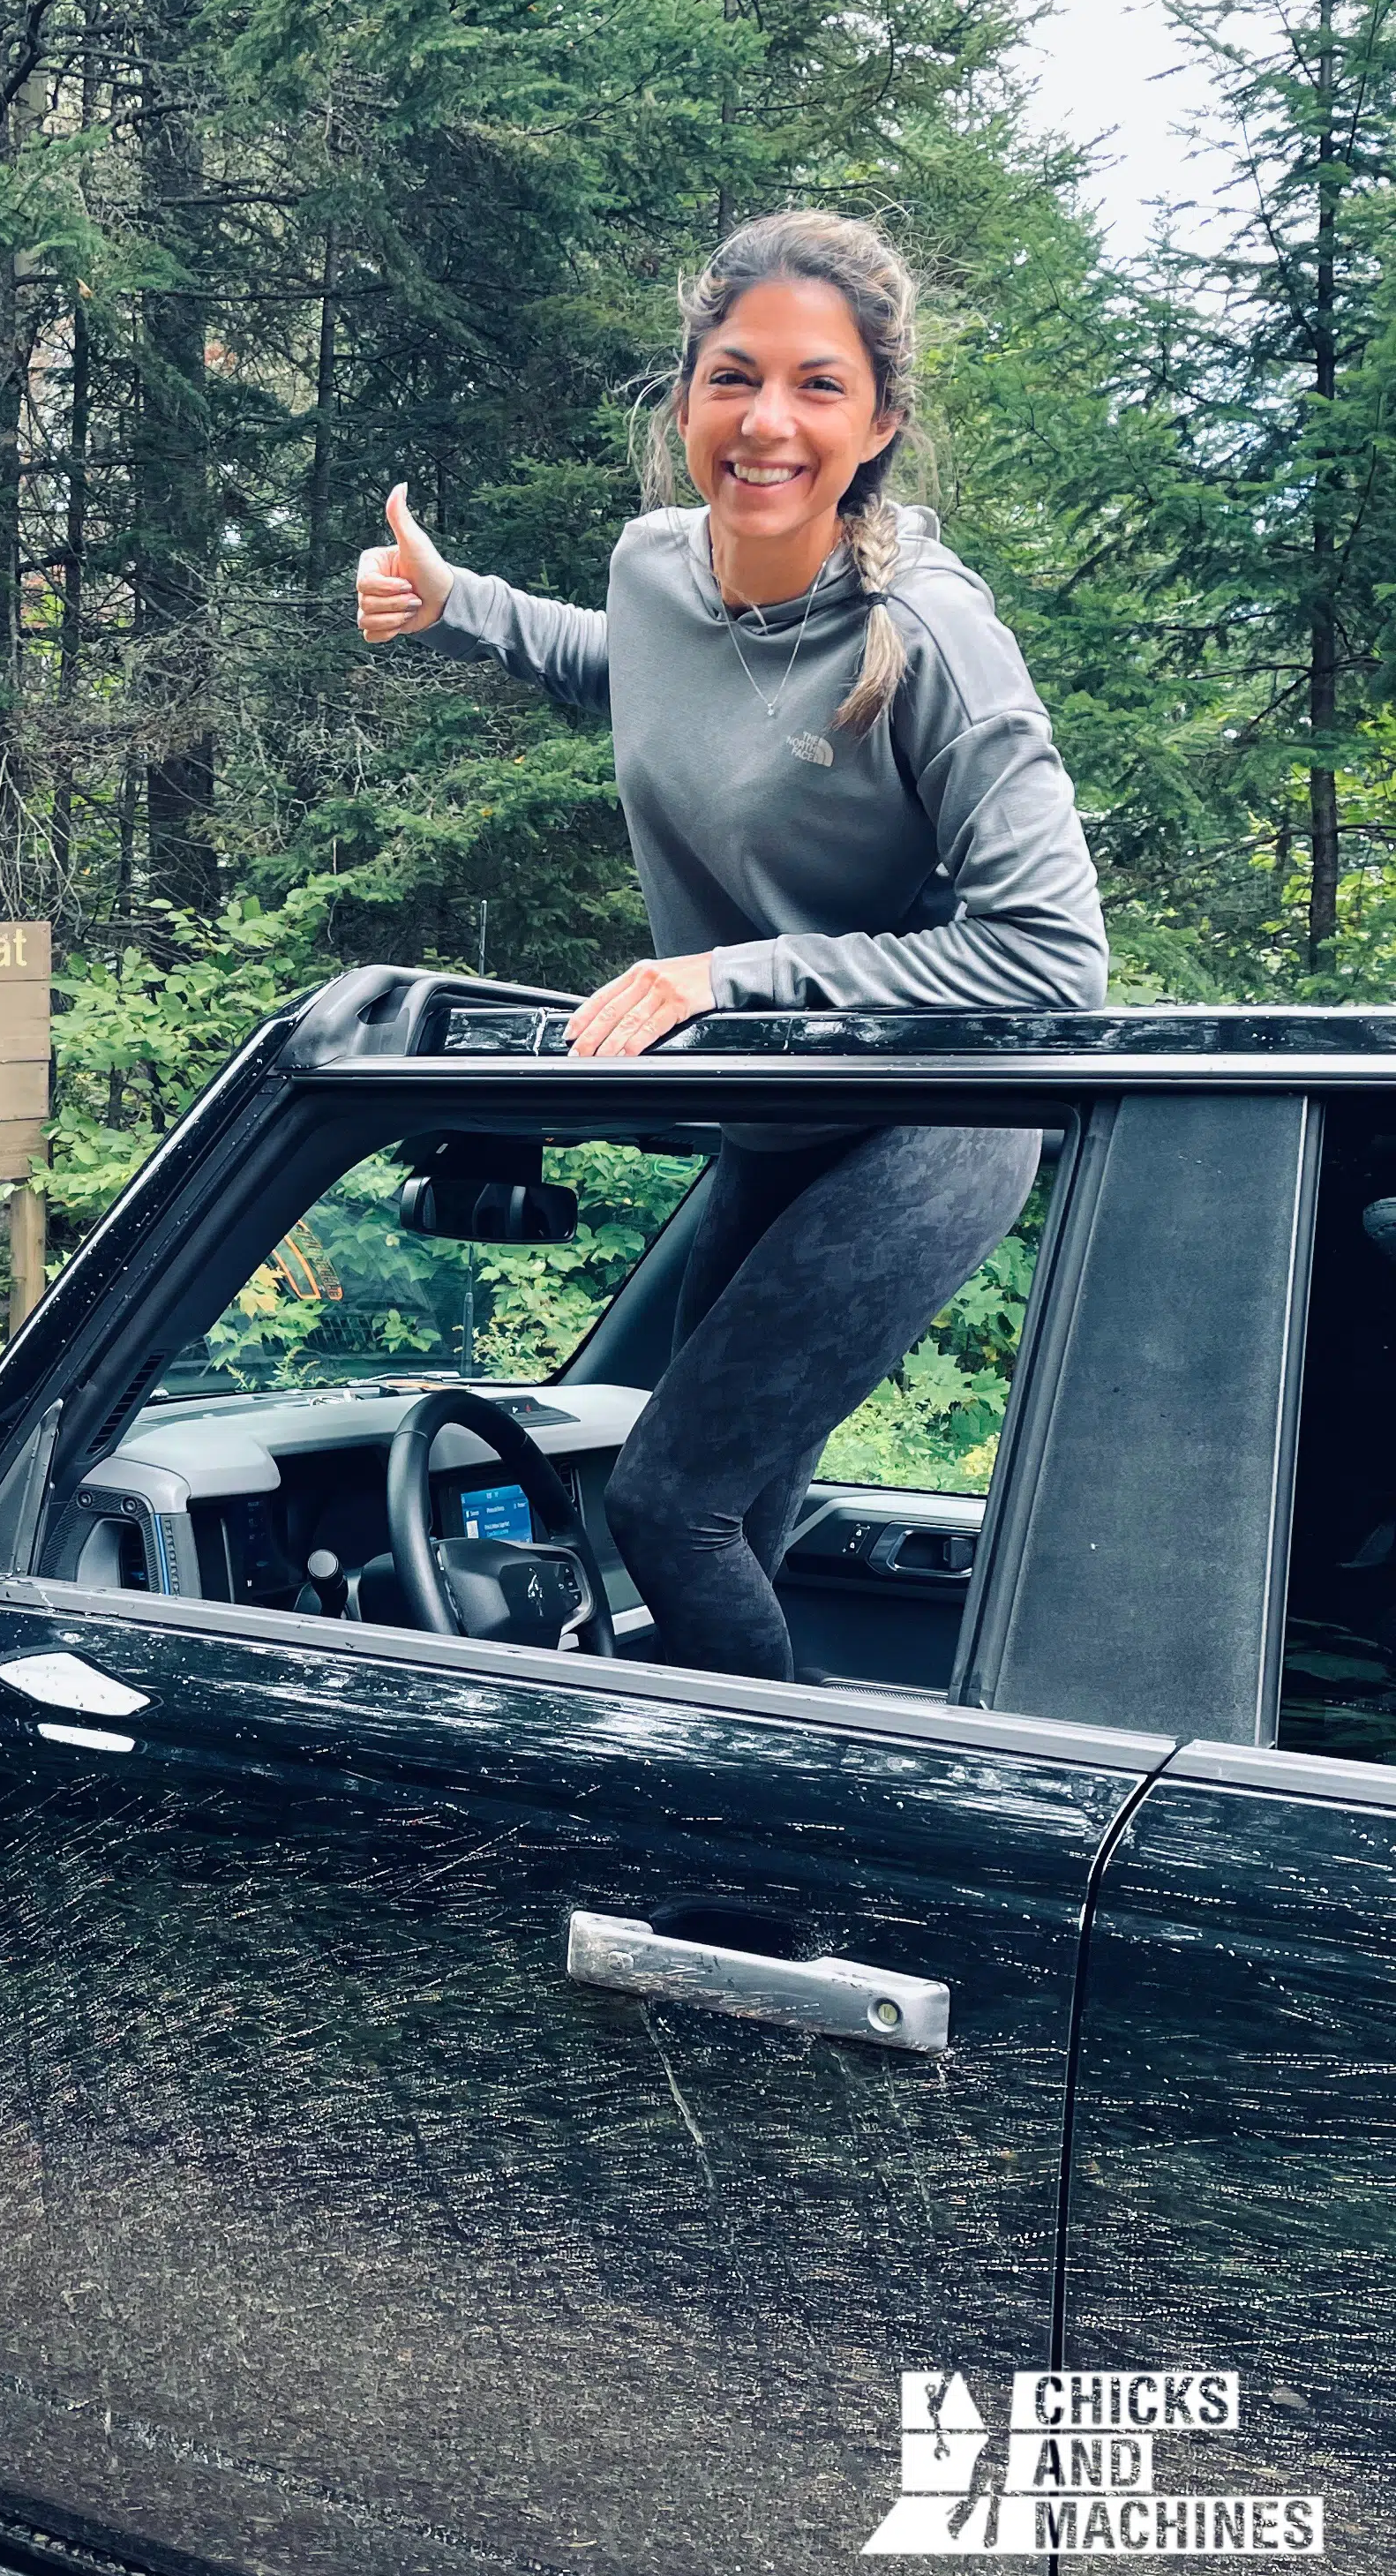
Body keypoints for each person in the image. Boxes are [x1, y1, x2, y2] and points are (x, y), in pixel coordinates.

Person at [354, 209, 1107, 1683]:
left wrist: (732, 977)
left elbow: (1053, 958)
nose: (769, 421)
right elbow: (631, 664)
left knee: (671, 1506)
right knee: (734, 1521)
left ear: (881, 419)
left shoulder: (930, 635)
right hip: (776, 1115)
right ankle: (725, 1881)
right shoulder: (658, 567)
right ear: (687, 395)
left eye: (819, 385)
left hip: (931, 1121)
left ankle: (784, 1844)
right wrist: (457, 612)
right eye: (734, 376)